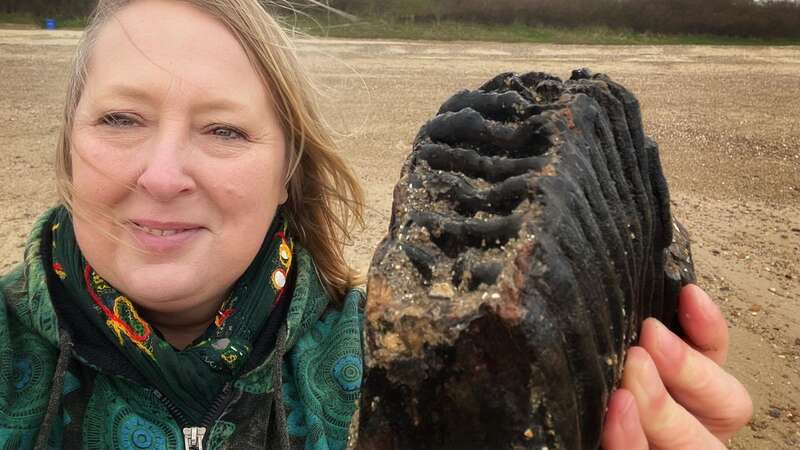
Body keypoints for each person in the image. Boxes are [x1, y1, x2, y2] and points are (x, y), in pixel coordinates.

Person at [0, 0, 751, 449]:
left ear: (288, 167)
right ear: (70, 143)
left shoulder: (402, 368)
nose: (162, 175)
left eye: (223, 131)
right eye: (121, 118)